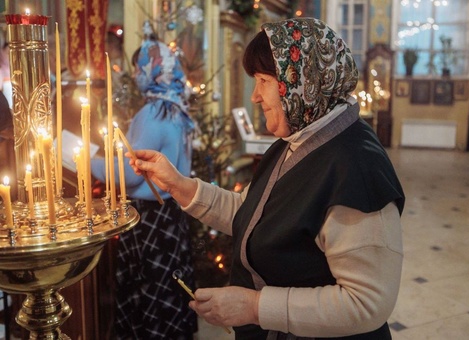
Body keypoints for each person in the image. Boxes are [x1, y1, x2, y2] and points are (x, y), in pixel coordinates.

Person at [127, 17, 405, 339]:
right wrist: (178, 184)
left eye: (263, 81)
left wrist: (255, 307)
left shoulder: (356, 166)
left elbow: (367, 303)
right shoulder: (299, 140)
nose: (255, 97)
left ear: (301, 80)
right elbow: (253, 214)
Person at [90, 23, 197, 339]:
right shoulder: (177, 107)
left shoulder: (154, 112)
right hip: (171, 217)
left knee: (148, 298)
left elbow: (128, 174)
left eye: (139, 67)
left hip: (149, 221)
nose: (136, 73)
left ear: (153, 68)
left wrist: (82, 160)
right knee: (168, 295)